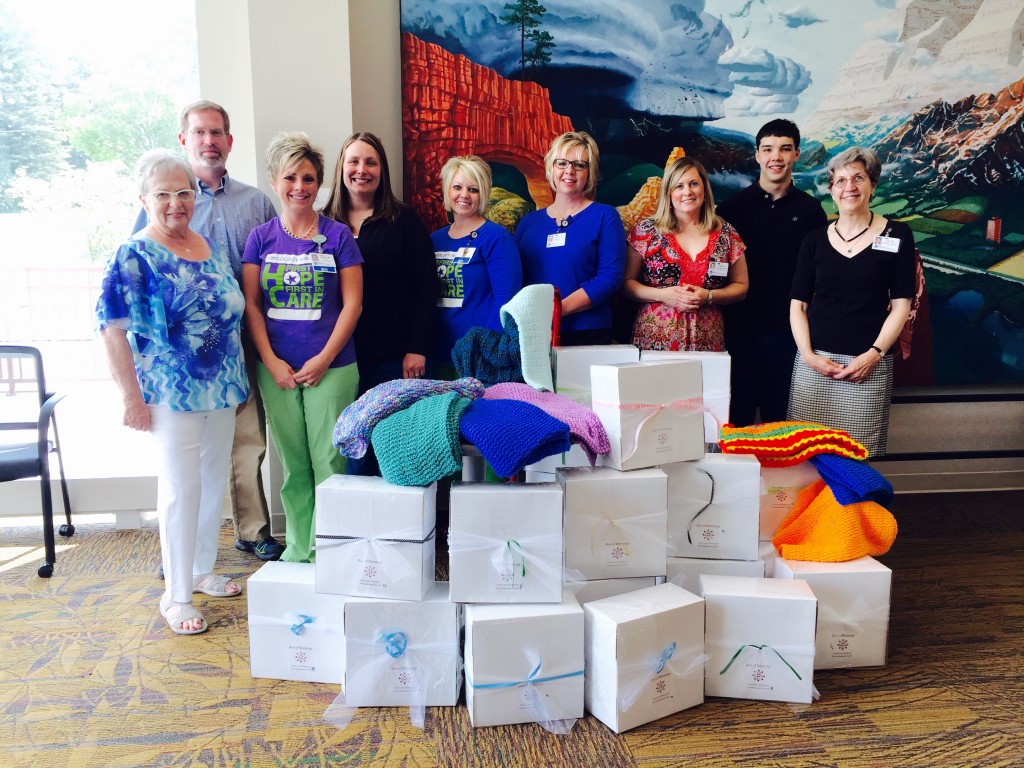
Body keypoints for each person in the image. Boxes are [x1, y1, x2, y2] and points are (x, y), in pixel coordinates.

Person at [98, 149, 248, 635]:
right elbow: (112, 328)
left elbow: (228, 316)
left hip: (223, 388)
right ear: (144, 199)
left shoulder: (207, 245)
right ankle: (176, 595)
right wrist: (130, 398)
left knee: (209, 484)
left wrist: (238, 380)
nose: (175, 203)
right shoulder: (134, 253)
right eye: (162, 194)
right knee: (181, 490)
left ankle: (201, 569)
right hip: (171, 392)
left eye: (183, 192)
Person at [132, 100, 283, 563]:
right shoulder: (166, 196)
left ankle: (252, 529)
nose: (209, 141)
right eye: (199, 133)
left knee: (245, 442)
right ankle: (180, 553)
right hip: (181, 358)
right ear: (185, 139)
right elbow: (140, 274)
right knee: (185, 464)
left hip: (241, 340)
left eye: (217, 132)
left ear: (230, 141)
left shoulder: (255, 201)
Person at [242, 132, 363, 563]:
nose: (300, 186)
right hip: (276, 369)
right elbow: (252, 307)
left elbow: (353, 304)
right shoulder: (260, 239)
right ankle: (298, 548)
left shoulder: (339, 236)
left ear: (319, 184)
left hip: (332, 367)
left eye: (309, 178)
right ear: (274, 181)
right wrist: (271, 361)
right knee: (294, 466)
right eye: (290, 177)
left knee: (328, 462)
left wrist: (324, 358)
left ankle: (331, 551)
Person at [322, 132, 438, 475]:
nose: (362, 169)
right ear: (341, 168)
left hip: (395, 358)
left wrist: (417, 348)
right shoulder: (323, 224)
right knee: (350, 454)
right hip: (339, 359)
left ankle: (402, 529)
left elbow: (424, 287)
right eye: (353, 161)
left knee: (395, 452)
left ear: (382, 170)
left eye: (371, 162)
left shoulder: (403, 220)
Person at [788, 146, 915, 456]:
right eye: (841, 180)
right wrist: (808, 355)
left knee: (857, 460)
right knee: (807, 459)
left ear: (872, 184)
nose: (850, 187)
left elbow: (902, 306)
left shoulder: (897, 235)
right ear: (831, 190)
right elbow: (798, 306)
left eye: (858, 178)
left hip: (867, 367)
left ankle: (851, 508)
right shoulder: (814, 240)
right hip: (814, 366)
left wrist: (873, 355)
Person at [717, 119, 827, 425]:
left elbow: (821, 276)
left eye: (784, 149)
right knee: (735, 420)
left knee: (781, 422)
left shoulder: (811, 211)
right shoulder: (730, 210)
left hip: (788, 334)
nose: (775, 156)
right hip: (737, 331)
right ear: (757, 155)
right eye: (768, 149)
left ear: (796, 155)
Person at [621, 157, 748, 351]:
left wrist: (710, 296)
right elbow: (626, 284)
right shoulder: (646, 231)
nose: (687, 191)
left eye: (693, 184)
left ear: (704, 191)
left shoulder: (726, 233)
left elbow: (741, 286)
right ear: (668, 194)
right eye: (679, 186)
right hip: (655, 342)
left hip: (708, 341)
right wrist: (662, 295)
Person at [514, 131, 626, 345]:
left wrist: (557, 312)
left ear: (590, 172)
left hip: (588, 332)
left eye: (579, 165)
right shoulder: (529, 223)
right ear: (551, 168)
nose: (569, 171)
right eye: (562, 163)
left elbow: (609, 278)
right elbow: (515, 279)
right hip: (534, 332)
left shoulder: (604, 216)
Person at [431, 155, 522, 377]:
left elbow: (505, 299)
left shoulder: (496, 238)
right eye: (457, 187)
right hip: (436, 352)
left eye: (473, 189)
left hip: (477, 357)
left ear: (483, 194)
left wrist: (484, 348)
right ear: (447, 191)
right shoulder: (434, 239)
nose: (464, 195)